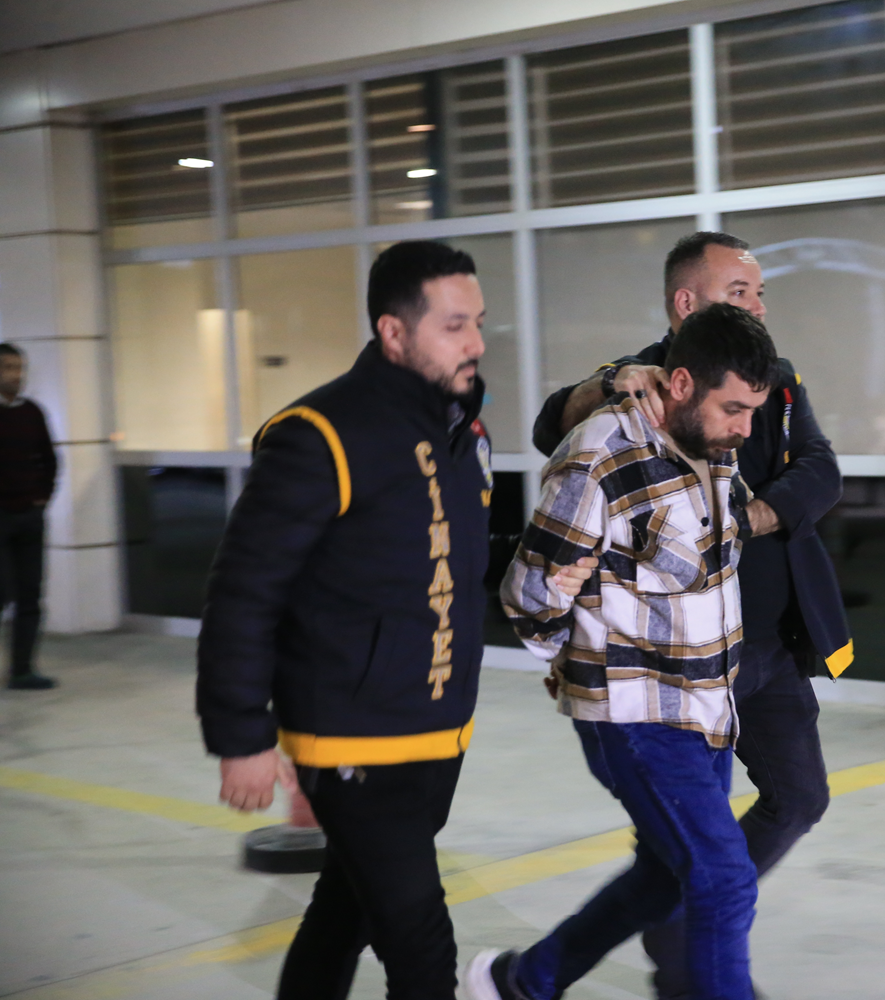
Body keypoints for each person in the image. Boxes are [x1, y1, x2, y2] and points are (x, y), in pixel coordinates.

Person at [198, 241, 588, 1000]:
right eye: (454, 325)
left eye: (478, 322)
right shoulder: (319, 433)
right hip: (353, 736)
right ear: (394, 332)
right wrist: (241, 734)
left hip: (437, 725)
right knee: (420, 949)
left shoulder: (461, 432)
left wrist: (535, 565)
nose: (476, 342)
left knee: (343, 912)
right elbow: (244, 590)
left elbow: (445, 554)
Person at [530, 232, 851, 997]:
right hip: (667, 668)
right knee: (699, 868)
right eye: (741, 292)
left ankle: (540, 975)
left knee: (793, 800)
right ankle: (678, 957)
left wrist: (752, 517)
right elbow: (551, 430)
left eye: (760, 293)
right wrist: (608, 382)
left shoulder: (774, 378)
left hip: (760, 645)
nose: (759, 306)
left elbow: (821, 468)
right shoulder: (642, 390)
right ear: (685, 301)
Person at [469, 303, 780, 1000]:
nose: (743, 427)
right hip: (637, 716)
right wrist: (568, 647)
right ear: (681, 384)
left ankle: (524, 982)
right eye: (733, 408)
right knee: (723, 880)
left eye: (752, 411)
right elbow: (528, 594)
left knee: (665, 875)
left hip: (707, 709)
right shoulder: (599, 456)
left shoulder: (715, 450)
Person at [0, 342, 58, 691]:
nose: (16, 375)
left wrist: (42, 497)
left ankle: (22, 670)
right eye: (8, 368)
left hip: (29, 516)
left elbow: (49, 459)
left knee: (29, 595)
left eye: (19, 368)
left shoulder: (32, 412)